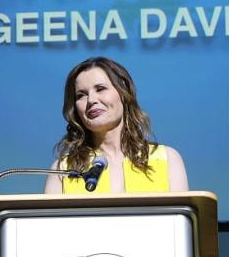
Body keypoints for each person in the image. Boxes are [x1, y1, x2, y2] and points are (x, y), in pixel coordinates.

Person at [44, 57, 188, 194]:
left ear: (123, 94)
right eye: (81, 95)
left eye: (100, 89)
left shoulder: (167, 159)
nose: (91, 100)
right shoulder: (63, 170)